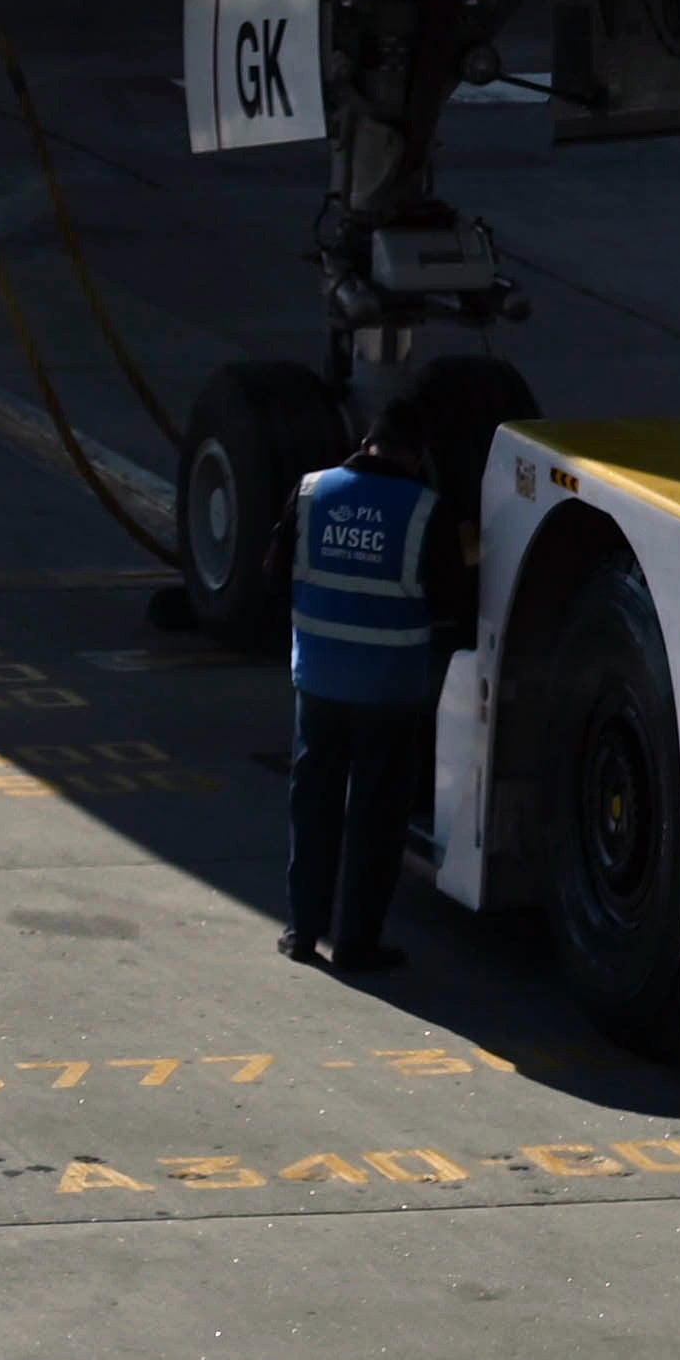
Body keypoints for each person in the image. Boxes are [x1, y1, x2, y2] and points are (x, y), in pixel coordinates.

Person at [279, 395, 471, 973]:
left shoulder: (312, 492)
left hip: (319, 683)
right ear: (420, 455)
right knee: (376, 823)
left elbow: (273, 571)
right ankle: (358, 945)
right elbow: (452, 603)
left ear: (367, 442)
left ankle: (302, 933)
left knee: (313, 810)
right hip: (390, 693)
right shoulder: (425, 510)